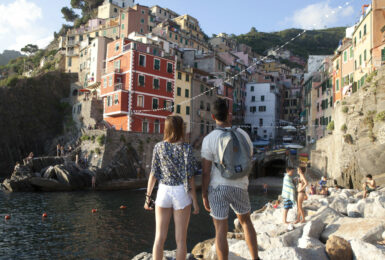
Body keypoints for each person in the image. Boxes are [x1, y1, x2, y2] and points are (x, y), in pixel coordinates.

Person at [201, 98, 259, 260]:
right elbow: (249, 158)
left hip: (218, 187)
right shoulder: (243, 135)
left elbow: (205, 172)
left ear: (213, 117)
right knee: (246, 222)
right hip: (240, 185)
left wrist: (204, 194)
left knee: (220, 228)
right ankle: (255, 258)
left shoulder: (210, 139)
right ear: (229, 114)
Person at [144, 115, 199, 260]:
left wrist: (148, 197)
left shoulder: (159, 147)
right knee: (181, 240)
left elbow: (153, 174)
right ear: (181, 129)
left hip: (163, 191)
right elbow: (190, 176)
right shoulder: (187, 148)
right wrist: (195, 201)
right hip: (181, 191)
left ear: (166, 128)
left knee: (159, 238)